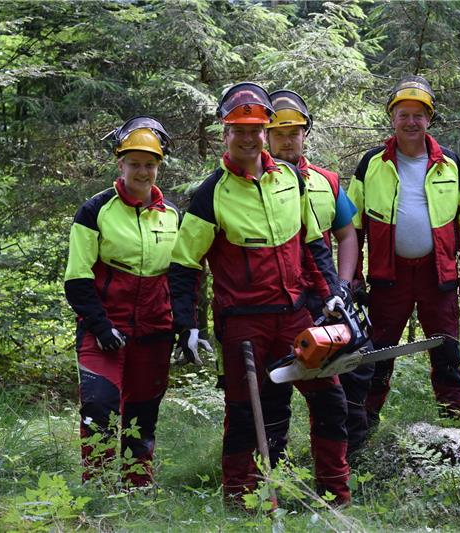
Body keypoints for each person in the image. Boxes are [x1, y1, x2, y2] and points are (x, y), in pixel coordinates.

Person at [168, 82, 351, 505]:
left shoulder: (290, 179)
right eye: (239, 130)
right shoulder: (210, 195)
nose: (248, 138)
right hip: (243, 323)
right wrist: (188, 325)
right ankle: (241, 498)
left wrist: (331, 293)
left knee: (330, 399)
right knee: (246, 413)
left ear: (265, 131)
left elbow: (313, 242)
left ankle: (335, 492)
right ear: (225, 133)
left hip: (296, 315)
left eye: (255, 129)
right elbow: (184, 265)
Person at [343, 75, 460, 451]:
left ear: (429, 119)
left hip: (438, 274)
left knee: (447, 351)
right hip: (389, 275)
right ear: (392, 118)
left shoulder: (450, 162)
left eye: (418, 115)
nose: (411, 122)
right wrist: (353, 276)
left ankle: (456, 428)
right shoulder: (371, 163)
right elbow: (352, 225)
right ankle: (363, 429)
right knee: (377, 353)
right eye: (403, 114)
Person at [64, 116, 178, 487]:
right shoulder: (95, 210)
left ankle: (137, 487)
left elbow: (180, 276)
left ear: (158, 166)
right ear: (120, 164)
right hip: (103, 328)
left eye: (149, 164)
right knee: (99, 406)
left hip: (155, 329)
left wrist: (185, 324)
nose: (142, 172)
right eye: (134, 164)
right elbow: (77, 278)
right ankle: (97, 488)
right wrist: (100, 326)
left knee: (142, 414)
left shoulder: (172, 215)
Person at [264, 89, 361, 462]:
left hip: (323, 295)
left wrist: (344, 283)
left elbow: (347, 234)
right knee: (276, 383)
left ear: (305, 134)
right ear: (267, 136)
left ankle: (347, 455)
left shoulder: (327, 181)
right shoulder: (253, 184)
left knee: (339, 379)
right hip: (279, 297)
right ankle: (274, 461)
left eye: (294, 133)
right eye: (280, 134)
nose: (288, 141)